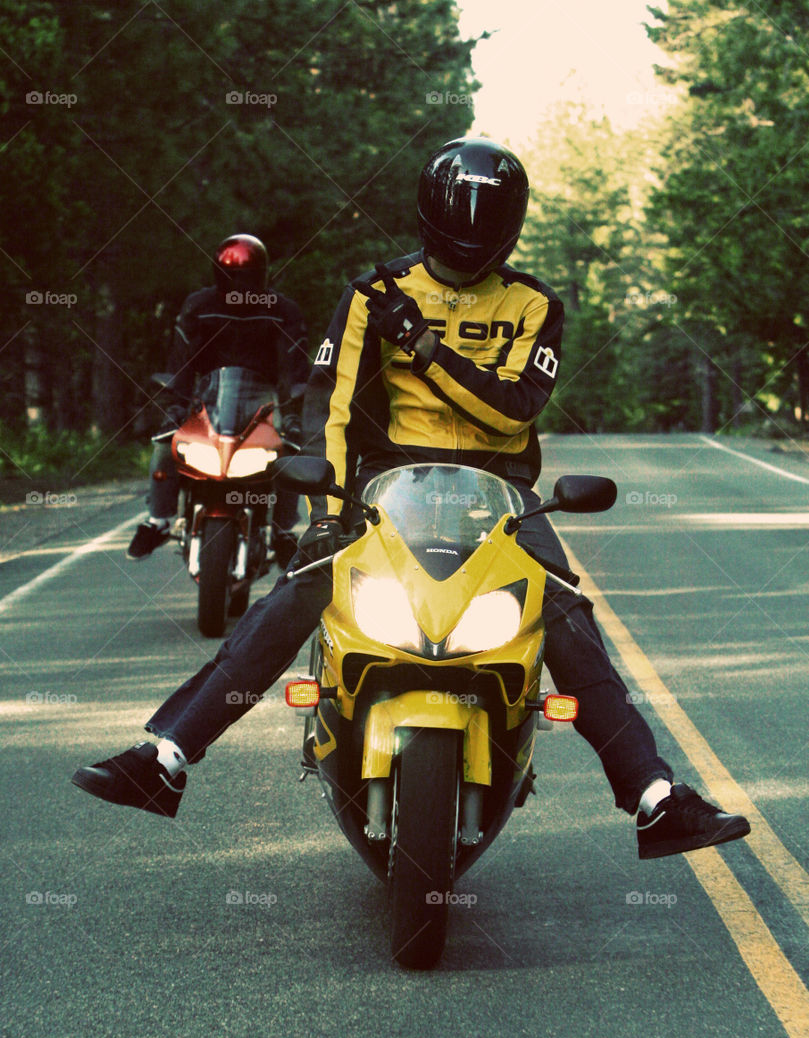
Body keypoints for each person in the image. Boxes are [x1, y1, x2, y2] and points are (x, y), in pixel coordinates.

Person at [74, 138, 750, 862]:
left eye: (484, 237)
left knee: (564, 615)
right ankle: (166, 759)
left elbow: (515, 409)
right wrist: (327, 515)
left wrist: (426, 349)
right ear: (429, 221)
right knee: (297, 592)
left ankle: (653, 799)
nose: (467, 251)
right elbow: (331, 404)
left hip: (501, 493)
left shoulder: (533, 304)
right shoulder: (372, 296)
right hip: (390, 486)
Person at [126, 233, 309, 563]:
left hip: (264, 407)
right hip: (209, 405)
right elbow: (180, 362)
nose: (239, 285)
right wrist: (174, 407)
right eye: (231, 277)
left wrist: (292, 413)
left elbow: (292, 370)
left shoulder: (282, 311)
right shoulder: (199, 306)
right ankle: (158, 520)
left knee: (289, 451)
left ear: (261, 275)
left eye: (246, 277)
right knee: (166, 443)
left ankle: (282, 531)